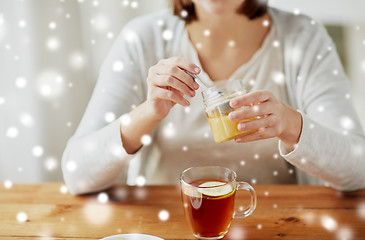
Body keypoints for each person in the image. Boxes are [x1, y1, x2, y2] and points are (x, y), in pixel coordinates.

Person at [62, 0, 365, 195]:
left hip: (276, 224)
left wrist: (290, 125)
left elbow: (358, 168)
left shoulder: (303, 36)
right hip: (169, 224)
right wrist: (148, 112)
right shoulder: (143, 38)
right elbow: (78, 175)